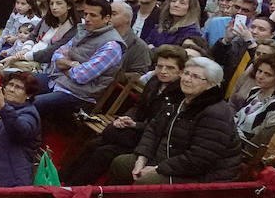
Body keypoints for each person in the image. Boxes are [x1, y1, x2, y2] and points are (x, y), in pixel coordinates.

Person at [63, 45, 186, 185]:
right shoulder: (154, 82)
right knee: (93, 144)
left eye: (170, 68)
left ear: (181, 71)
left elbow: (162, 126)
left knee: (104, 152)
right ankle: (63, 180)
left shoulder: (180, 95)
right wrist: (126, 118)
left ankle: (76, 186)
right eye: (160, 66)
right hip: (136, 129)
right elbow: (138, 106)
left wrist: (135, 125)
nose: (163, 71)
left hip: (151, 141)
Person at [109, 56, 241, 184]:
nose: (187, 79)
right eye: (186, 73)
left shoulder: (216, 113)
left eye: (195, 77)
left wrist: (157, 169)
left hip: (200, 175)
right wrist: (142, 158)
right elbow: (153, 129)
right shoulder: (179, 99)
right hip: (166, 159)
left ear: (211, 85)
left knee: (146, 183)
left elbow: (199, 159)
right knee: (121, 164)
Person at [33, 0, 125, 120]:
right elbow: (56, 55)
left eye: (93, 15)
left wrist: (63, 65)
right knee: (17, 79)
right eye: (86, 14)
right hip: (58, 80)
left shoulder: (112, 46)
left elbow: (81, 76)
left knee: (29, 104)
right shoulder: (84, 31)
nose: (87, 19)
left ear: (107, 18)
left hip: (79, 95)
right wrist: (71, 64)